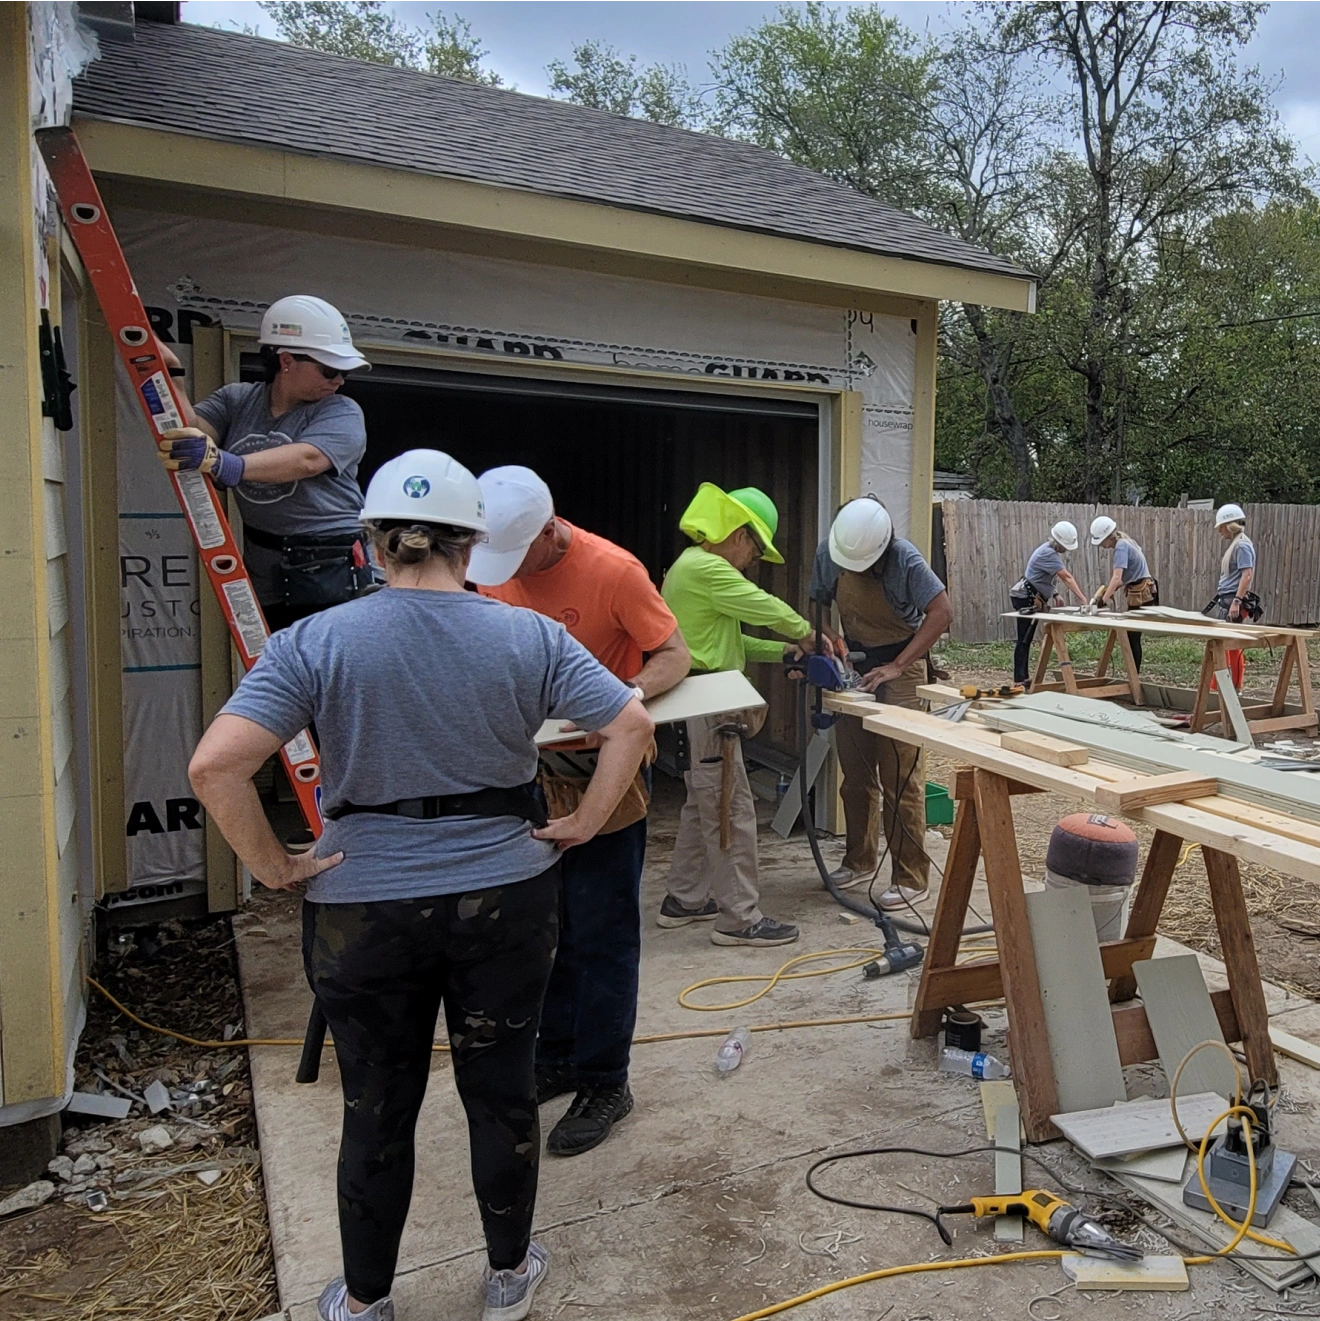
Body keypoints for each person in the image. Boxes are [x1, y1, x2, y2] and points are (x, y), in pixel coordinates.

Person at [188, 450, 654, 1321]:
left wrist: (276, 866)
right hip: (506, 901)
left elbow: (216, 766)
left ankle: (366, 1300)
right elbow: (628, 721)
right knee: (502, 1089)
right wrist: (587, 820)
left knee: (376, 1104)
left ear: (370, 542)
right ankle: (508, 1278)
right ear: (471, 545)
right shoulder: (531, 635)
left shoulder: (317, 640)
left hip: (363, 911)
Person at [468, 466, 690, 1159]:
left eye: (518, 555)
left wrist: (619, 695)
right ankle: (558, 1053)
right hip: (532, 765)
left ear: (549, 527)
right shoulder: (494, 569)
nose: (508, 572)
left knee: (602, 928)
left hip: (607, 765)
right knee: (547, 925)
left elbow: (674, 656)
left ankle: (604, 1077)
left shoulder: (613, 571)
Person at [155, 295, 374, 632]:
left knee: (328, 664)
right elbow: (194, 435)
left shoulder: (340, 410)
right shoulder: (237, 400)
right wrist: (173, 380)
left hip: (330, 561)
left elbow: (307, 458)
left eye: (344, 372)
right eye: (330, 369)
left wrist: (226, 465)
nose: (338, 380)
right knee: (282, 665)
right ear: (286, 360)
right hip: (266, 560)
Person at [658, 482, 814, 947]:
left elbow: (735, 644)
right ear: (738, 532)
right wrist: (808, 633)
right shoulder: (706, 568)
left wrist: (787, 651)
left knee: (702, 802)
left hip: (703, 697)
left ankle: (682, 899)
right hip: (709, 703)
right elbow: (763, 606)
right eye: (757, 548)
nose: (755, 559)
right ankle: (739, 919)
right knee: (731, 808)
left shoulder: (691, 570)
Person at [808, 496, 952, 908]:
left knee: (901, 776)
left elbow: (941, 612)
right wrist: (828, 640)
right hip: (854, 660)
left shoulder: (903, 558)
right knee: (855, 773)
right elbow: (817, 604)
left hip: (902, 663)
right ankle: (859, 860)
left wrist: (898, 664)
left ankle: (910, 876)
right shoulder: (831, 551)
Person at [1009, 521, 1088, 685]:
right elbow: (1066, 577)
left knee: (1027, 638)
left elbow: (1042, 577)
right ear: (1059, 543)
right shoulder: (1048, 554)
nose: (1066, 549)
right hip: (1026, 597)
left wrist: (1056, 594)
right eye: (1066, 545)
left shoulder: (1048, 550)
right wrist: (1083, 599)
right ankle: (1019, 679)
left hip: (1030, 595)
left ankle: (1023, 677)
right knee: (1024, 638)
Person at [1088, 516, 1158, 671]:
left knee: (1132, 636)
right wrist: (1109, 591)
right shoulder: (1127, 542)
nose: (1101, 545)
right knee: (1132, 635)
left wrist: (1102, 601)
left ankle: (1134, 676)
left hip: (1141, 594)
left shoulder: (1121, 546)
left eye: (1101, 542)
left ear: (1108, 537)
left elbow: (1117, 577)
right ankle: (1134, 675)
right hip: (1141, 592)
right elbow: (1127, 578)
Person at [1205, 502, 1261, 689]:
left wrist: (1236, 601)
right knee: (1228, 646)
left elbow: (1247, 575)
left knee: (1229, 647)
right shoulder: (1237, 545)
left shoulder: (1242, 546)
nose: (1220, 531)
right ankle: (1225, 686)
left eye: (1221, 526)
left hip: (1233, 601)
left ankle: (1228, 687)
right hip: (1227, 600)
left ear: (1229, 525)